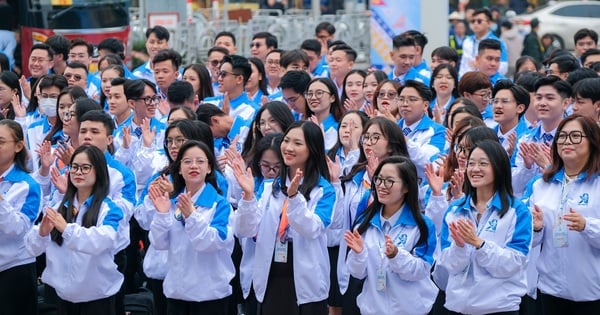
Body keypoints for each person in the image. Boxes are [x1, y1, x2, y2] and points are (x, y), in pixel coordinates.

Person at [232, 121, 335, 315]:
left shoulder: (324, 190)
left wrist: (295, 198)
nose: (288, 147)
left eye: (297, 143)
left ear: (312, 148)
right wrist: (247, 197)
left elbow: (312, 229)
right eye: (286, 140)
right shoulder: (270, 186)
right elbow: (245, 230)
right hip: (270, 273)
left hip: (305, 279)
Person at [438, 140, 532, 315]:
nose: (475, 169)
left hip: (498, 308)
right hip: (458, 306)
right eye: (471, 163)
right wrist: (459, 247)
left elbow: (514, 263)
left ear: (498, 167)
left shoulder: (517, 211)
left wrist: (479, 244)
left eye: (483, 164)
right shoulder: (454, 210)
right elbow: (448, 264)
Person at [30, 145, 123, 314]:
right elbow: (33, 248)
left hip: (97, 298)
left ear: (99, 171)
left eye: (85, 167)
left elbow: (103, 240)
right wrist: (41, 233)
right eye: (74, 167)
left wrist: (66, 228)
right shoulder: (59, 206)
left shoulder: (109, 208)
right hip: (63, 296)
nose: (78, 172)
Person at [523, 114, 600, 314]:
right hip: (550, 289)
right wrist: (536, 227)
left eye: (575, 136)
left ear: (592, 141)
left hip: (592, 290)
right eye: (562, 136)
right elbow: (527, 240)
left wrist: (587, 226)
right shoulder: (541, 185)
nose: (567, 142)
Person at [148, 140, 234, 314]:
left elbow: (212, 242)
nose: (193, 166)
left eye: (200, 161)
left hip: (209, 296)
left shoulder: (220, 205)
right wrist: (163, 215)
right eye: (187, 161)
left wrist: (192, 216)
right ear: (179, 169)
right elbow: (159, 244)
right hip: (177, 293)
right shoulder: (171, 202)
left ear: (209, 168)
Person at [345, 156, 437, 315]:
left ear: (407, 187)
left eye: (389, 181)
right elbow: (357, 273)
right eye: (379, 179)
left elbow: (421, 271)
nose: (381, 186)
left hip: (409, 310)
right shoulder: (364, 222)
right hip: (372, 309)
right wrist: (359, 254)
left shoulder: (421, 226)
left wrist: (396, 256)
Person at [0, 119, 42, 315]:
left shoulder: (28, 185)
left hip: (13, 268)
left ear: (18, 146)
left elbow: (17, 229)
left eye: (0, 142)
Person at [459, 8, 509, 77]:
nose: (475, 24)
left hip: (489, 83)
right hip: (467, 83)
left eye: (479, 21)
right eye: (473, 21)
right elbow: (463, 65)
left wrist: (481, 66)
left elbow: (503, 68)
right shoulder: (467, 41)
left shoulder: (499, 43)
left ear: (489, 23)